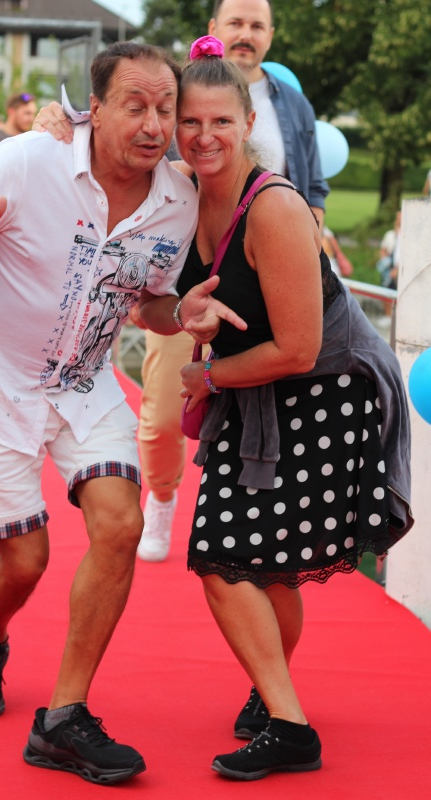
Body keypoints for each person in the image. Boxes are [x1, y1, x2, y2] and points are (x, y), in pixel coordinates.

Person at [0, 41, 245, 786]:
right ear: (95, 107)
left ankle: (62, 719)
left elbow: (149, 305)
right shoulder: (31, 159)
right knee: (26, 562)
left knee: (120, 525)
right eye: (135, 105)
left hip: (86, 384)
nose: (154, 125)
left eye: (165, 108)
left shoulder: (177, 200)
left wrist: (182, 311)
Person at [142, 36, 410, 781]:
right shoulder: (182, 196)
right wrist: (180, 312)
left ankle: (289, 725)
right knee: (268, 566)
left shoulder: (276, 207)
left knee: (223, 558)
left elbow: (297, 348)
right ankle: (273, 696)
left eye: (220, 122)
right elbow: (151, 307)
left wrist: (207, 376)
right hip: (256, 390)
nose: (204, 137)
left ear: (248, 124)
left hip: (326, 393)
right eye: (190, 122)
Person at [136, 0, 329, 561]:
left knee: (252, 541)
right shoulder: (173, 168)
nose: (246, 34)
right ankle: (163, 497)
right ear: (214, 30)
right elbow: (115, 132)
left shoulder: (290, 103)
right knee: (165, 413)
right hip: (190, 281)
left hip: (270, 274)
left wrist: (300, 253)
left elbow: (311, 187)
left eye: (257, 25)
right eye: (236, 23)